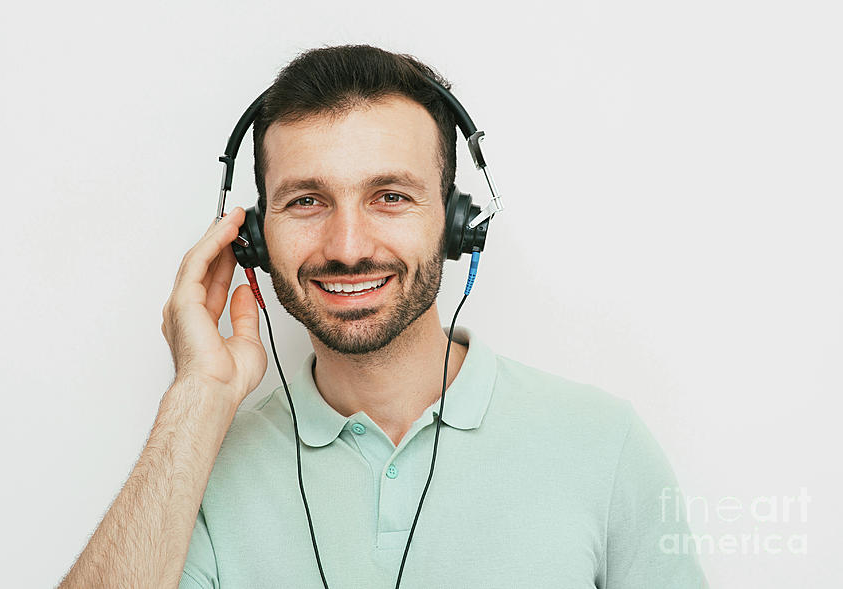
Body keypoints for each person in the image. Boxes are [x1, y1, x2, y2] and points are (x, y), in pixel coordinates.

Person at [59, 45, 708, 588]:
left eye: (390, 196)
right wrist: (194, 400)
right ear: (251, 238)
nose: (348, 246)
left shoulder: (604, 444)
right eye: (307, 200)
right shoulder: (194, 472)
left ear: (458, 225)